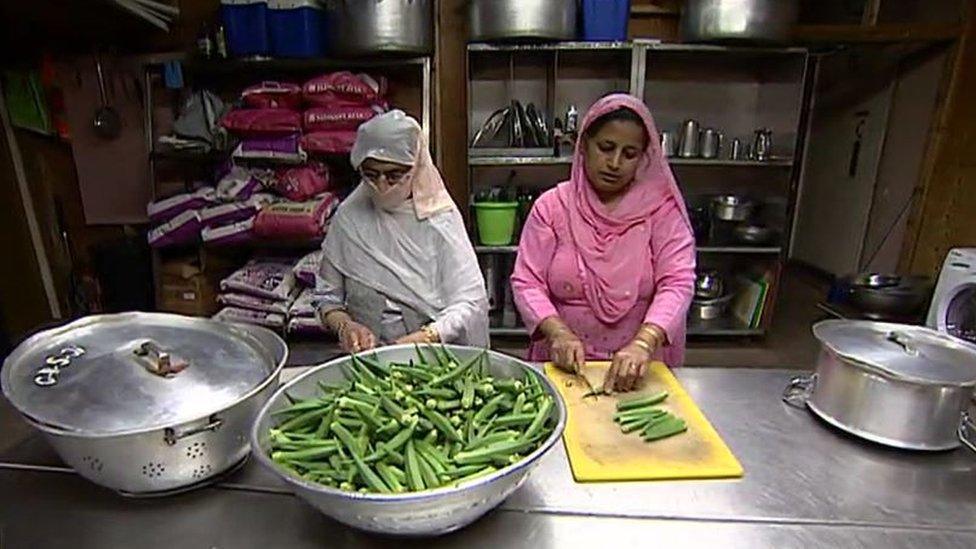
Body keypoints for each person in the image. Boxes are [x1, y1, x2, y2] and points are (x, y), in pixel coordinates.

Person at [511, 94, 695, 393]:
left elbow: (678, 282)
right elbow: (527, 281)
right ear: (583, 145)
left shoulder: (661, 212)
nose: (615, 163)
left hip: (638, 367)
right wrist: (558, 333)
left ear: (644, 157)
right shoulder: (552, 207)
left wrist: (644, 342)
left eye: (630, 153)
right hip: (563, 363)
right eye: (606, 148)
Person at [315, 110, 489, 353]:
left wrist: (424, 338)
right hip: (365, 358)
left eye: (395, 175)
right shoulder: (349, 218)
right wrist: (345, 326)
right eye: (371, 175)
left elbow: (470, 302)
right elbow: (327, 296)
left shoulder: (438, 220)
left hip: (432, 357)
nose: (382, 186)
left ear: (415, 168)